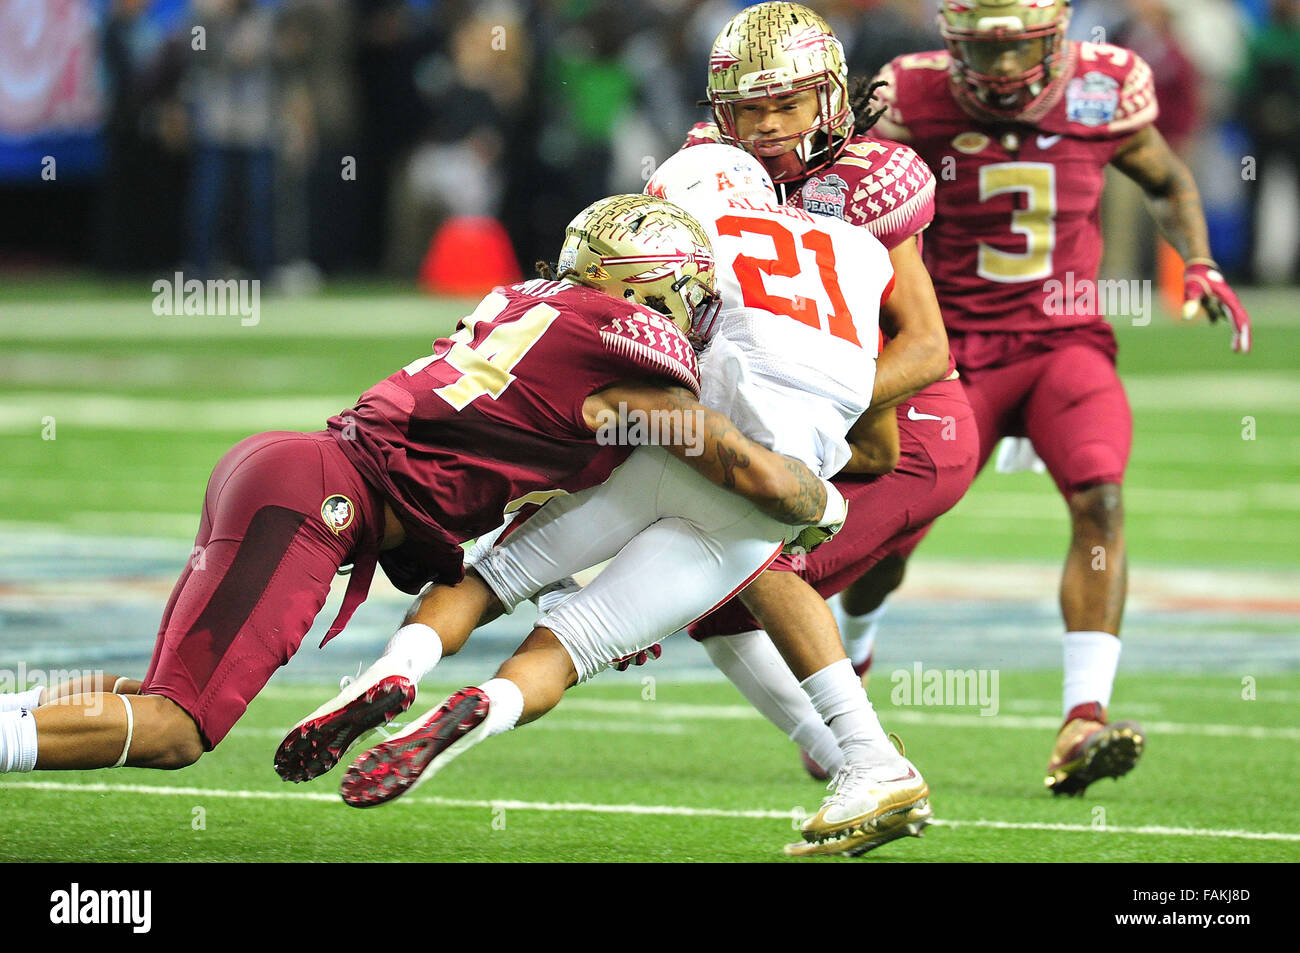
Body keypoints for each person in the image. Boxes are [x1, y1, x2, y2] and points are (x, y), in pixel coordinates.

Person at [0, 194, 841, 777]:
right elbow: (748, 469)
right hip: (321, 498)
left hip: (290, 470)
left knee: (160, 696)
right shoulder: (625, 363)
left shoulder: (529, 302)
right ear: (644, 290)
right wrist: (824, 498)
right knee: (176, 730)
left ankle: (15, 714)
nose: (693, 311)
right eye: (684, 292)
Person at [282, 144, 949, 857]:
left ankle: (395, 669)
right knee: (573, 646)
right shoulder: (858, 251)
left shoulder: (688, 235)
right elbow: (876, 424)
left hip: (668, 447)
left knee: (489, 579)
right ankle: (482, 708)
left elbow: (638, 320)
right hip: (759, 490)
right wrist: (820, 487)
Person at [844, 0, 1252, 794]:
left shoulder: (1104, 87)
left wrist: (1198, 260)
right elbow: (856, 214)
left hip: (1064, 338)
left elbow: (1166, 179)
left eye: (1016, 51)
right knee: (893, 533)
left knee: (1100, 496)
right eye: (982, 53)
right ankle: (854, 652)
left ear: (1057, 36)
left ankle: (1082, 717)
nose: (999, 72)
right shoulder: (911, 96)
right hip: (949, 349)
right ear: (952, 43)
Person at [674, 2, 979, 801]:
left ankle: (861, 758)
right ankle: (844, 752)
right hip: (806, 424)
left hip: (909, 430)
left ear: (831, 98)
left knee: (733, 579)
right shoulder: (710, 168)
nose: (768, 126)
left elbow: (926, 348)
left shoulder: (865, 182)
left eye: (787, 104)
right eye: (750, 108)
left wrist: (809, 400)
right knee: (706, 583)